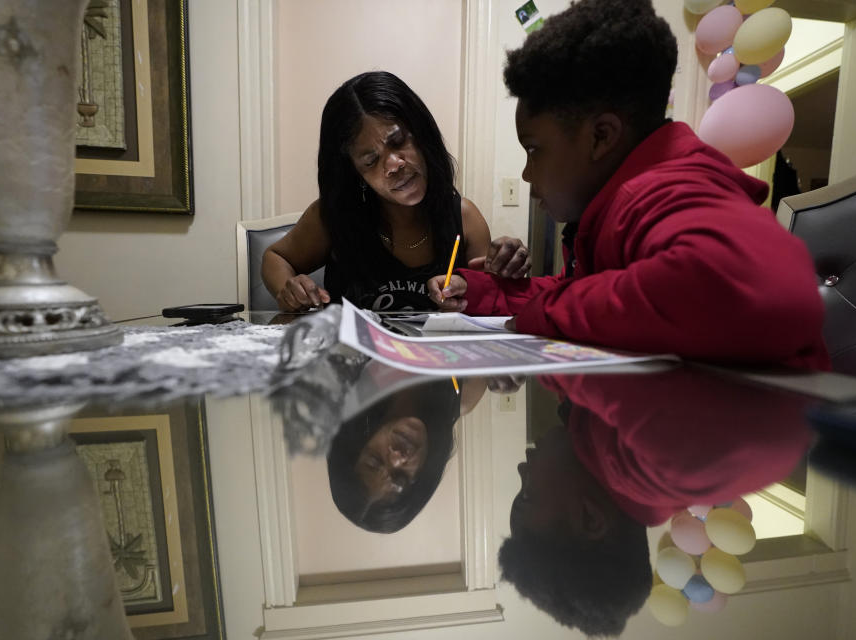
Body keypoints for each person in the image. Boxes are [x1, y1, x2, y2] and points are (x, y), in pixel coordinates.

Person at [428, 0, 830, 370]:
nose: (528, 176)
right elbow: (599, 294)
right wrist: (485, 293)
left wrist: (544, 314)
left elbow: (757, 286)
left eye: (534, 151)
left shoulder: (665, 189)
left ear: (601, 136)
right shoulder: (621, 201)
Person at [500, 368, 812, 635]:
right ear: (591, 518)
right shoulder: (657, 452)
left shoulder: (592, 438)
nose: (522, 468)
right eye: (528, 493)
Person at [262, 71, 531, 312]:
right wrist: (288, 289)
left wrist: (505, 274)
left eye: (399, 141)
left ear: (422, 134)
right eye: (371, 160)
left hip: (439, 365)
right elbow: (275, 257)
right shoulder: (332, 217)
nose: (394, 165)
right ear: (355, 172)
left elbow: (487, 304)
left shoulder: (465, 218)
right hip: (353, 365)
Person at [327, 369, 488, 533]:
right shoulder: (463, 395)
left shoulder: (359, 370)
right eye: (400, 477)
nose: (397, 458)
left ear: (356, 439)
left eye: (375, 460)